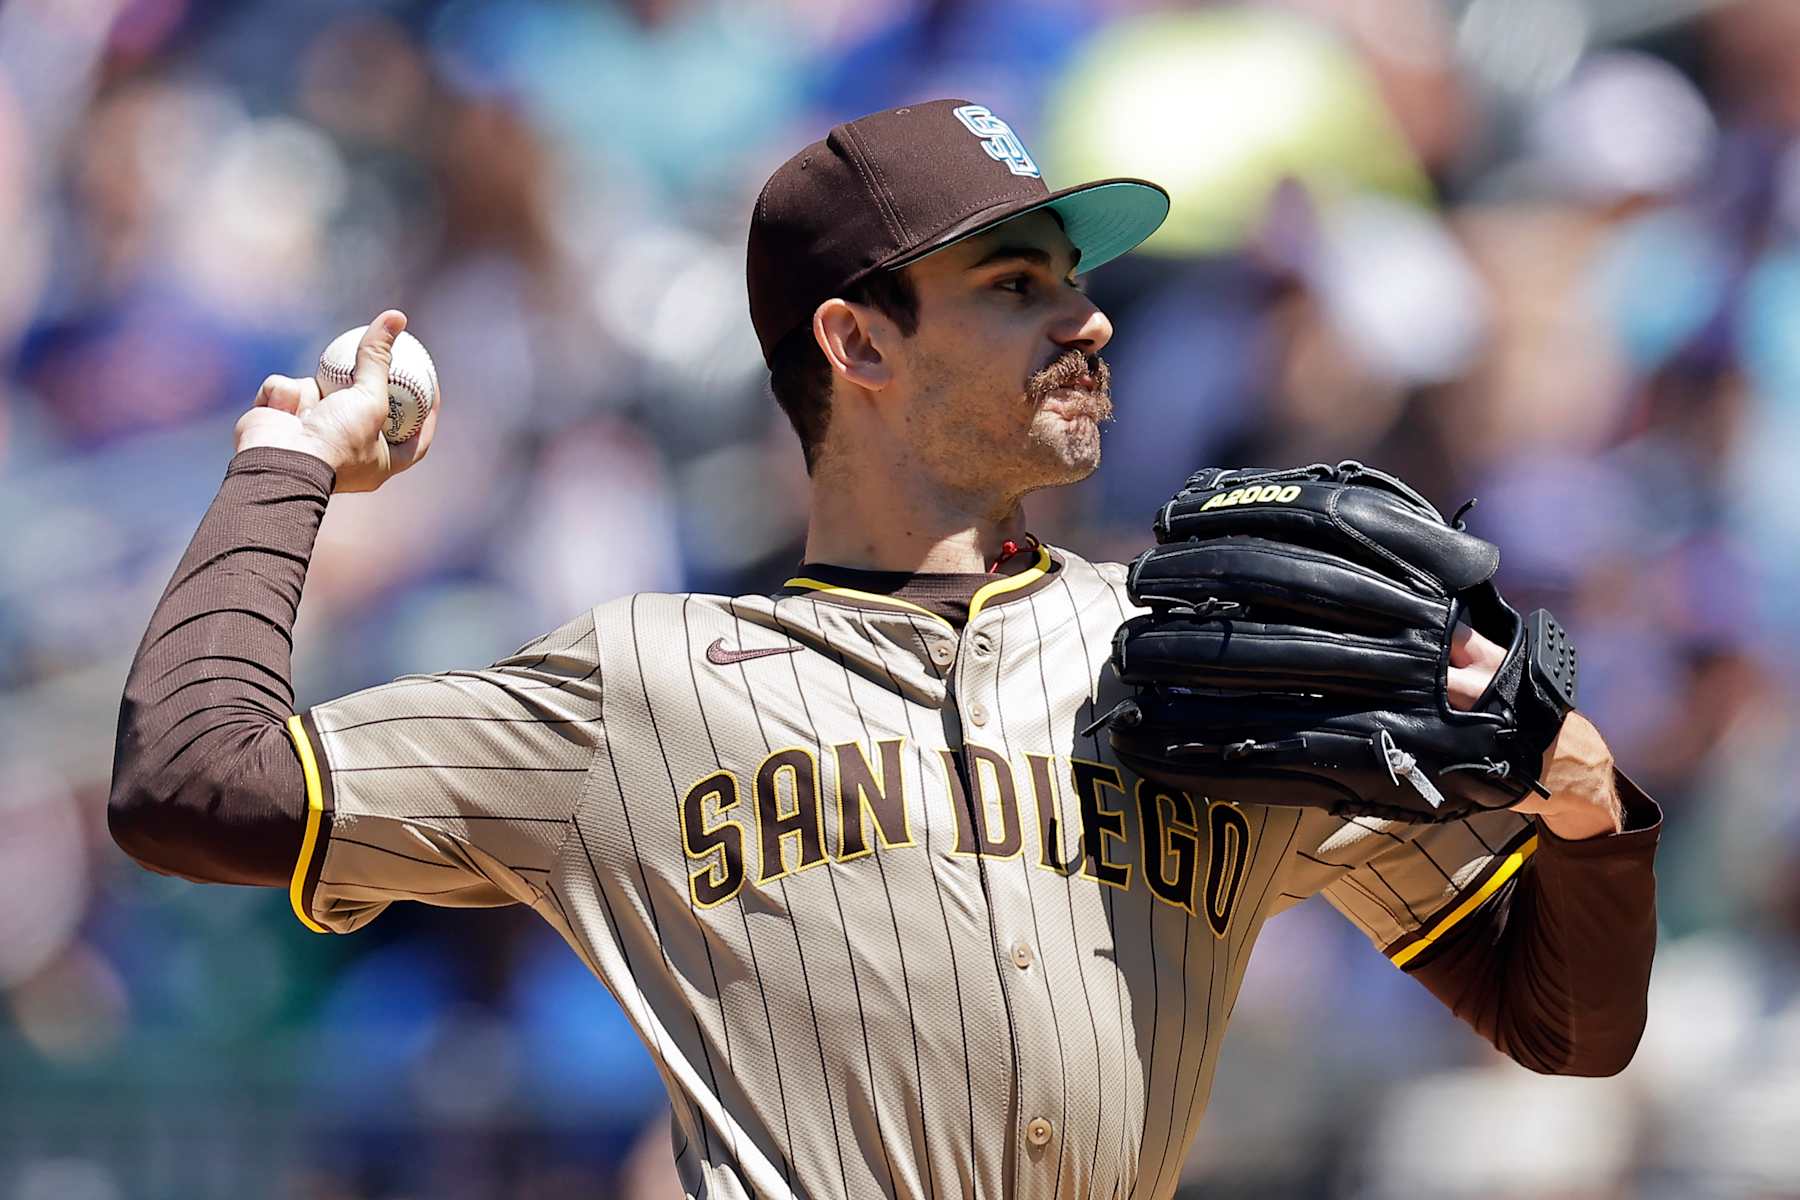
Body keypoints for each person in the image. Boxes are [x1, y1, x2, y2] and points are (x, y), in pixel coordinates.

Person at [110, 99, 1658, 1199]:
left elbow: (1565, 1027)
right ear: (855, 344)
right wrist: (284, 467)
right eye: (1015, 285)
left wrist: (1586, 810)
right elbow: (190, 781)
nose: (1091, 320)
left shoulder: (1197, 659)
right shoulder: (641, 686)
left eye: (1075, 275)